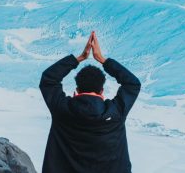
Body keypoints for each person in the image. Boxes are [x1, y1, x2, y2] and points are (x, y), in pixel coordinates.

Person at [39, 31, 141, 173]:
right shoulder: (115, 113)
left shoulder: (62, 109)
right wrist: (102, 59)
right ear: (101, 91)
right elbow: (132, 84)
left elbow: (49, 79)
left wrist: (80, 58)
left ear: (77, 90)